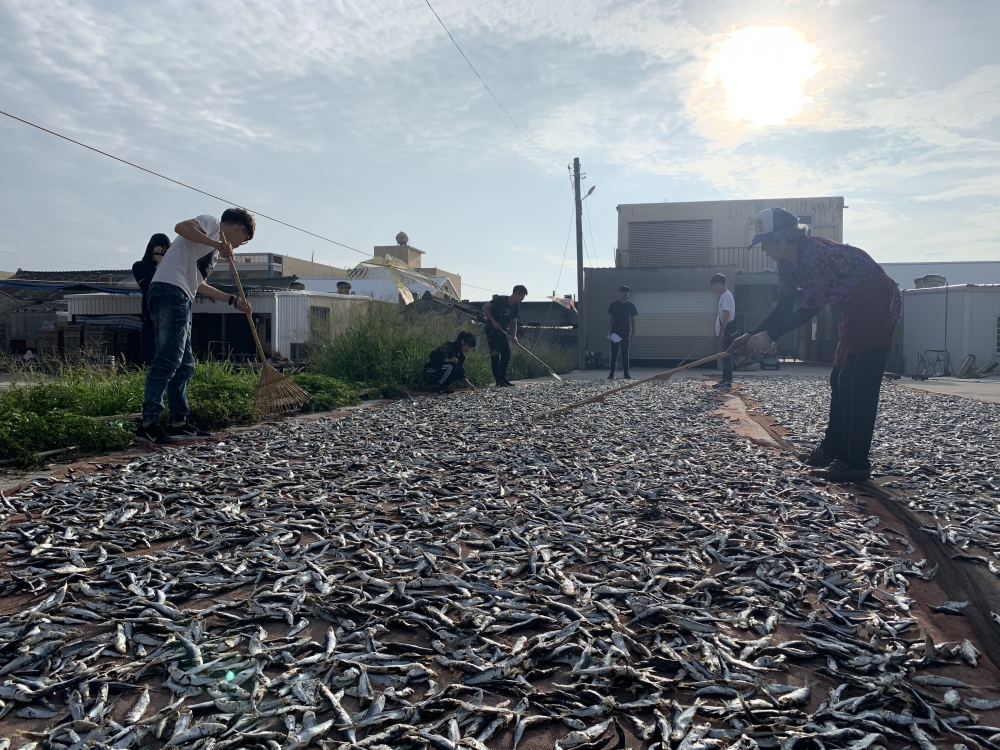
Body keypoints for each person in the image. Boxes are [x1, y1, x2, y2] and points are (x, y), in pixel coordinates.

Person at [731, 208, 901, 483]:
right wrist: (752, 334)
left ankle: (854, 462)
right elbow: (785, 307)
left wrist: (770, 336)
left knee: (855, 382)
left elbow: (810, 309)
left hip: (877, 302)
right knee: (838, 380)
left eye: (766, 242)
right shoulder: (786, 264)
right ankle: (832, 450)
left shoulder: (815, 255)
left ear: (784, 238)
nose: (763, 249)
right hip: (853, 311)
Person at [136, 208, 255, 445]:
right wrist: (216, 243)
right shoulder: (210, 223)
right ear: (240, 229)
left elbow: (199, 284)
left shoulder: (208, 249)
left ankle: (178, 423)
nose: (241, 244)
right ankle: (147, 425)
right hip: (170, 291)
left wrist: (233, 301)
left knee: (185, 365)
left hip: (182, 294)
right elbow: (180, 227)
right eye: (245, 239)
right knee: (168, 360)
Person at [132, 233, 171, 365]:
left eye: (165, 248)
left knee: (170, 356)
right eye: (158, 247)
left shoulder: (173, 267)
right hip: (150, 315)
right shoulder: (140, 266)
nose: (161, 251)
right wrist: (159, 264)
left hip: (171, 314)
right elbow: (149, 287)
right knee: (148, 355)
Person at [483, 285, 526, 387]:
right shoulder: (500, 300)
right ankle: (498, 380)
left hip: (502, 331)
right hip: (492, 330)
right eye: (522, 296)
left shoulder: (516, 307)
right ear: (517, 293)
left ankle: (503, 378)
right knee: (495, 355)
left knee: (506, 354)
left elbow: (514, 322)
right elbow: (485, 308)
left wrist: (514, 335)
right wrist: (493, 322)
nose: (522, 299)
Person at [711, 274, 737, 389]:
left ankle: (727, 381)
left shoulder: (725, 296)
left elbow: (726, 314)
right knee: (724, 356)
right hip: (725, 328)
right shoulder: (727, 295)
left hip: (726, 329)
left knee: (724, 355)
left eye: (714, 286)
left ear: (718, 283)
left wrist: (722, 329)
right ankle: (726, 379)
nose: (714, 289)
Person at [607, 285, 637, 379]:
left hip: (625, 332)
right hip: (615, 332)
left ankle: (626, 373)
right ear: (620, 293)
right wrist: (610, 332)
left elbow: (633, 319)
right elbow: (610, 319)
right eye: (623, 292)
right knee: (614, 353)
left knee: (625, 354)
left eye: (626, 293)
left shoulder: (630, 305)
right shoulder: (614, 304)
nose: (625, 294)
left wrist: (633, 332)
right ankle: (611, 373)